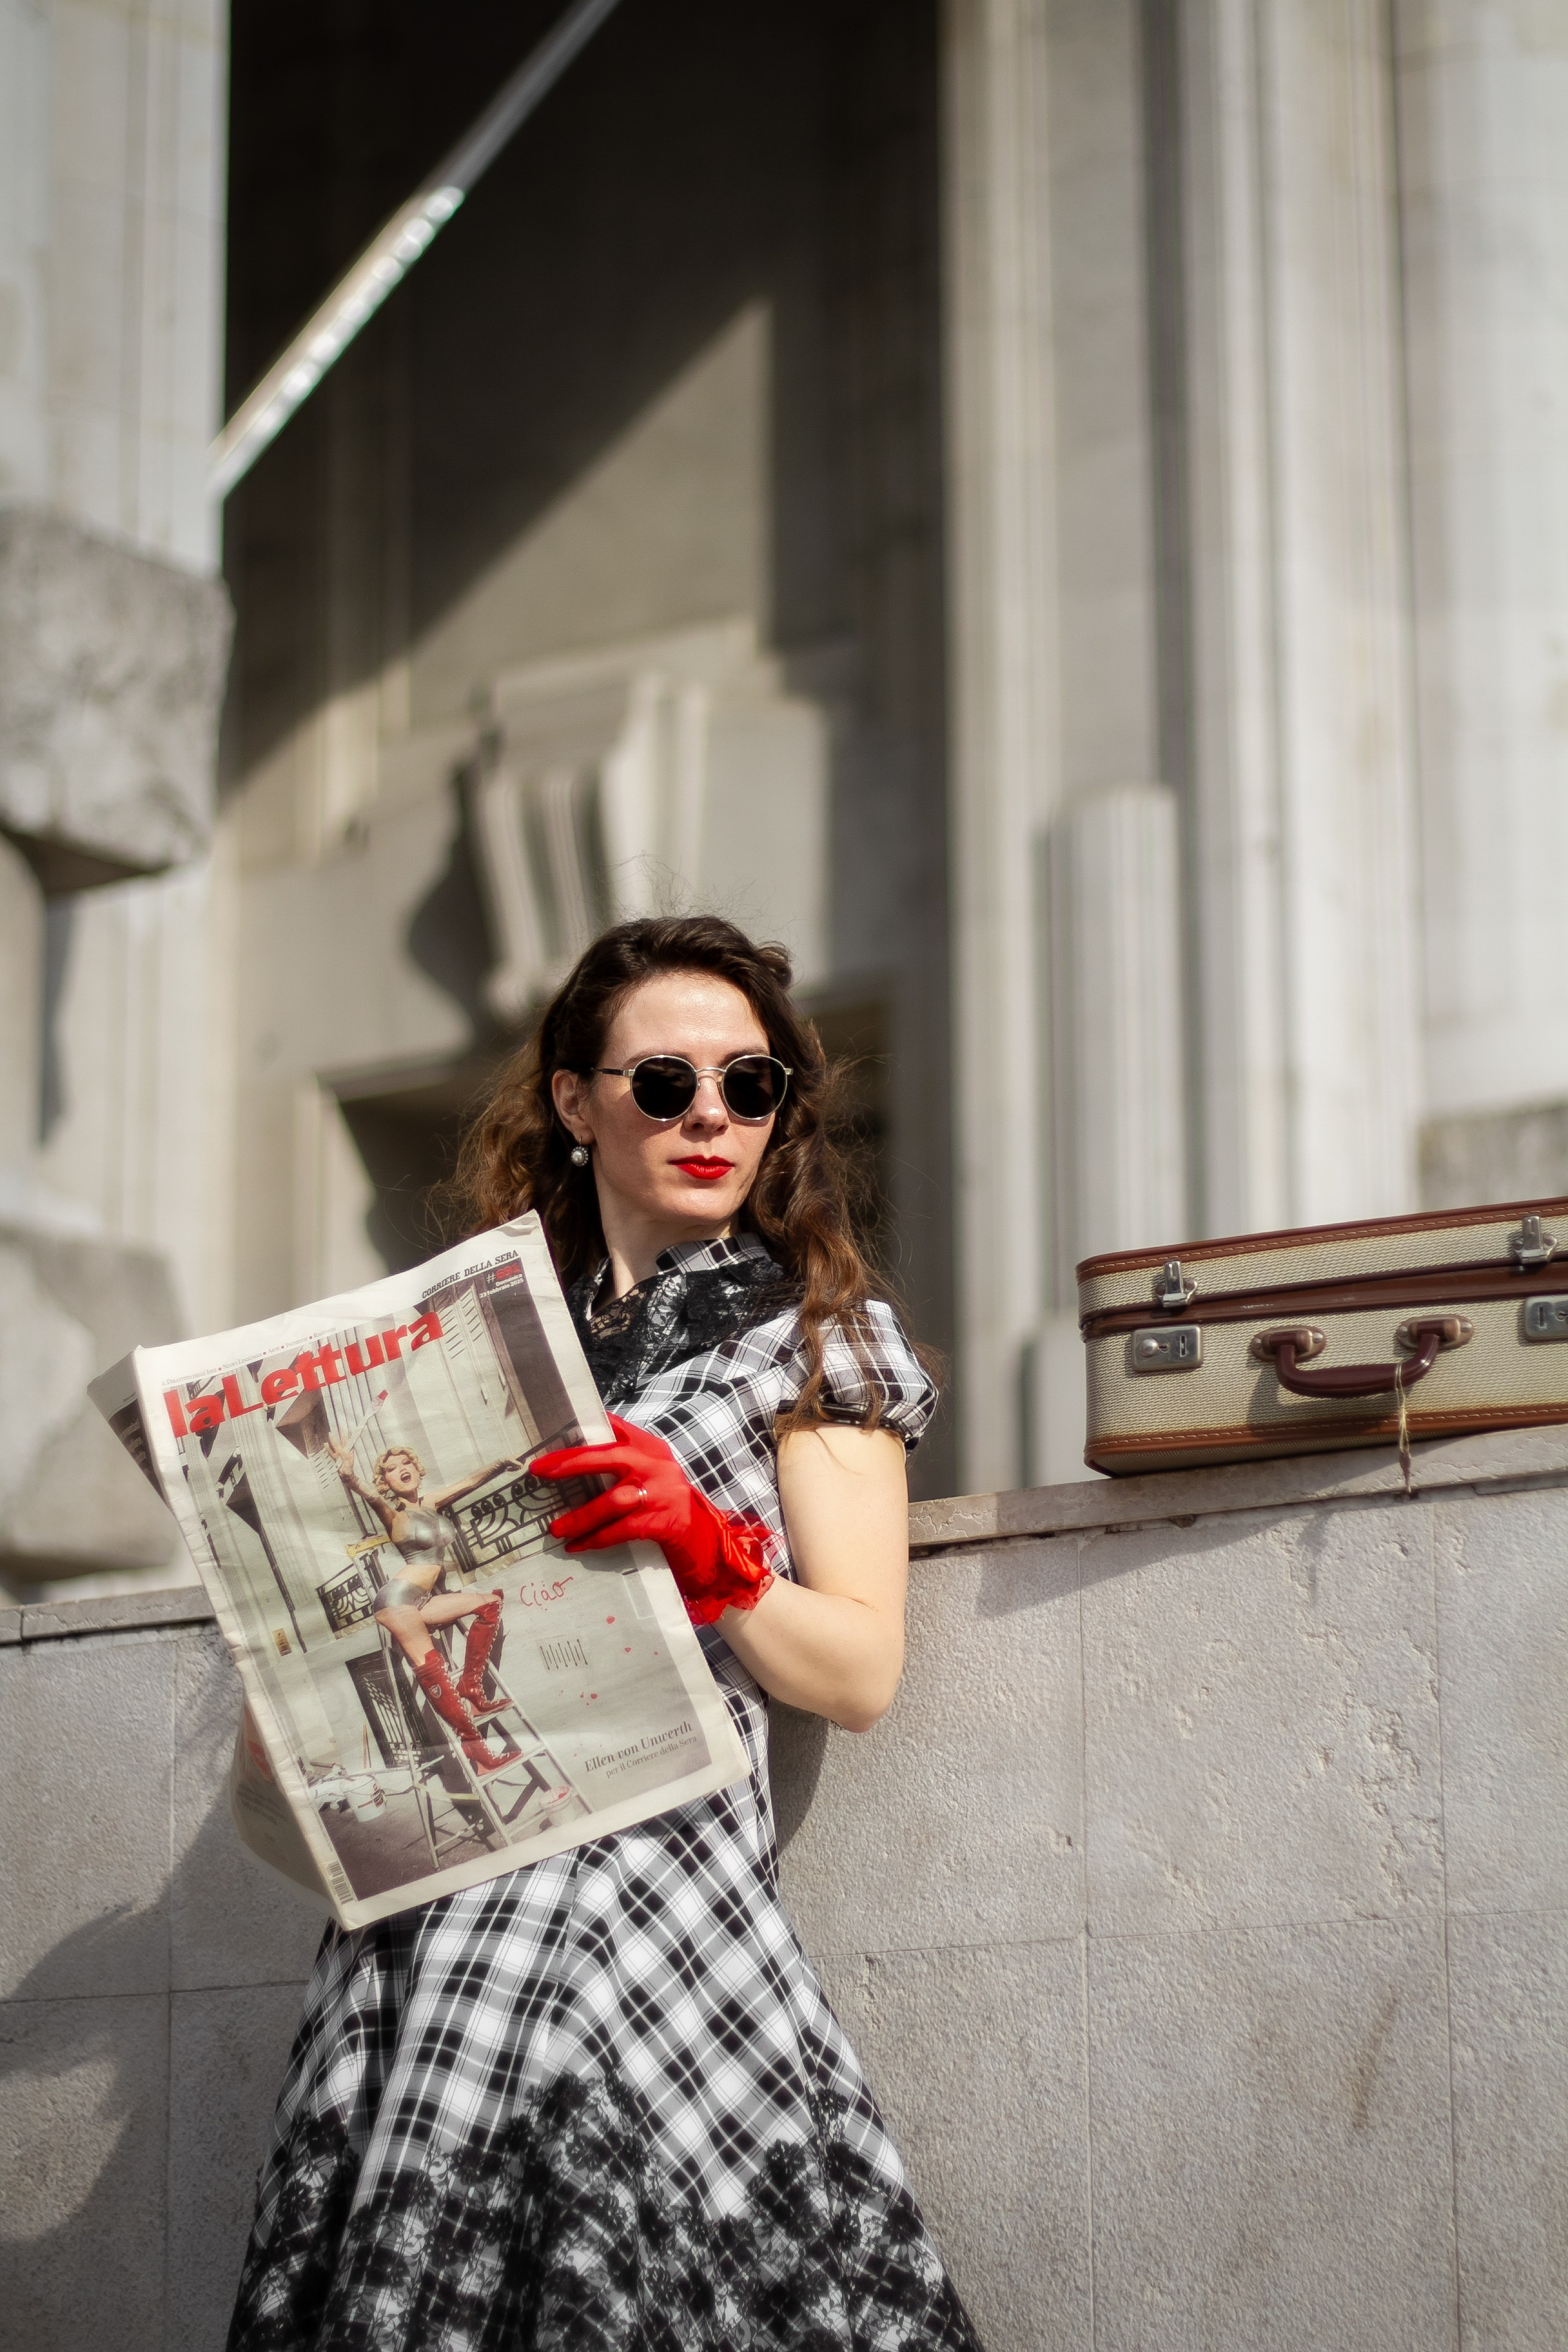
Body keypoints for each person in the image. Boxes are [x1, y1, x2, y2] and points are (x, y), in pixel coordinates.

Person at [226, 914, 982, 2352]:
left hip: (654, 1910)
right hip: (429, 1926)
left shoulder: (814, 1342)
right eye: (662, 1082)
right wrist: (304, 1695)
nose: (709, 1113)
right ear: (574, 1103)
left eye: (748, 1086)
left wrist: (707, 1551)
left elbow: (859, 1667)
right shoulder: (458, 1358)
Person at [326, 1437, 530, 1776]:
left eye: (406, 1463)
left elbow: (468, 1483)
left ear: (417, 1469)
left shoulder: (430, 1503)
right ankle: (478, 1754)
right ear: (386, 1482)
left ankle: (472, 1689)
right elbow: (369, 1495)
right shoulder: (392, 1512)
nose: (401, 1470)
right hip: (397, 1601)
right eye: (391, 1470)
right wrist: (349, 1474)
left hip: (423, 1600)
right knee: (432, 1667)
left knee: (489, 1604)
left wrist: (498, 1464)